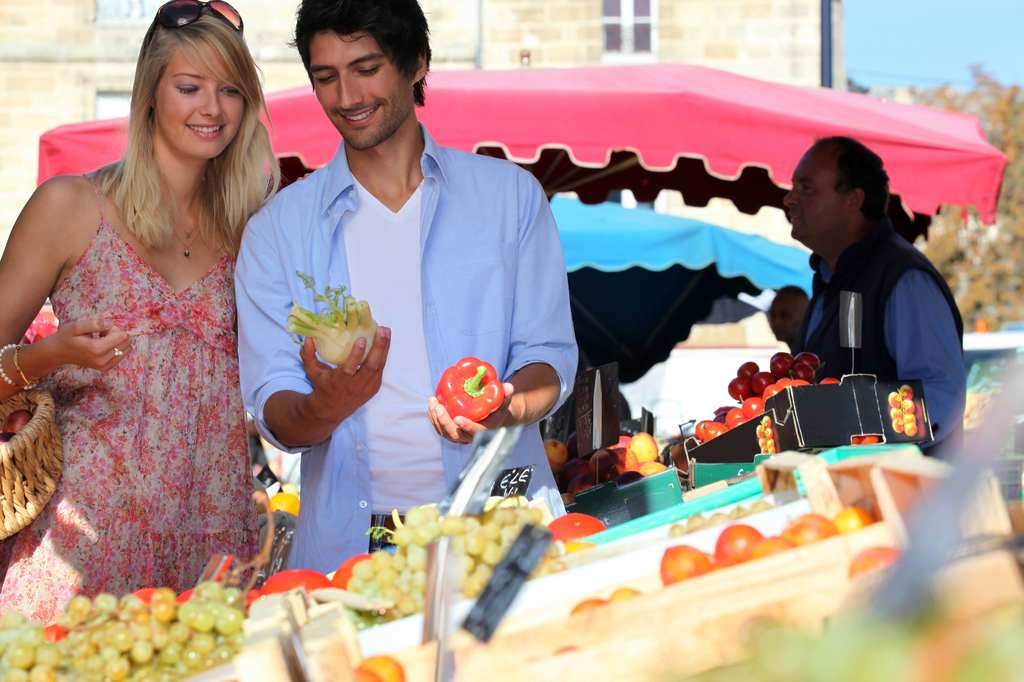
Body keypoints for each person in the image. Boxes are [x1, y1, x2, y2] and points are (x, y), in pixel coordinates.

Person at [235, 0, 577, 572]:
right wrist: (325, 405)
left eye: (366, 69)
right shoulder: (276, 231)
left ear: (417, 62)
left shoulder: (510, 198)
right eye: (326, 76)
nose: (347, 96)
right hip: (355, 545)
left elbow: (548, 358)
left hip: (499, 519)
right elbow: (275, 407)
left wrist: (502, 406)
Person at [0, 0, 278, 622]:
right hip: (83, 537)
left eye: (231, 90)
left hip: (213, 536)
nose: (212, 109)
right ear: (151, 92)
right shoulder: (71, 206)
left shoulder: (250, 226)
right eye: (190, 87)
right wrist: (51, 354)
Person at [784, 136, 965, 450]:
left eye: (806, 188)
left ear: (853, 200)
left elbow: (940, 395)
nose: (789, 199)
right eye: (794, 187)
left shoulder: (904, 278)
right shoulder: (836, 279)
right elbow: (844, 371)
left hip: (901, 480)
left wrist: (860, 437)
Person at [768, 285, 810, 351]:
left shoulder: (817, 354)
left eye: (784, 315)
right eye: (773, 315)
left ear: (804, 316)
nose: (776, 322)